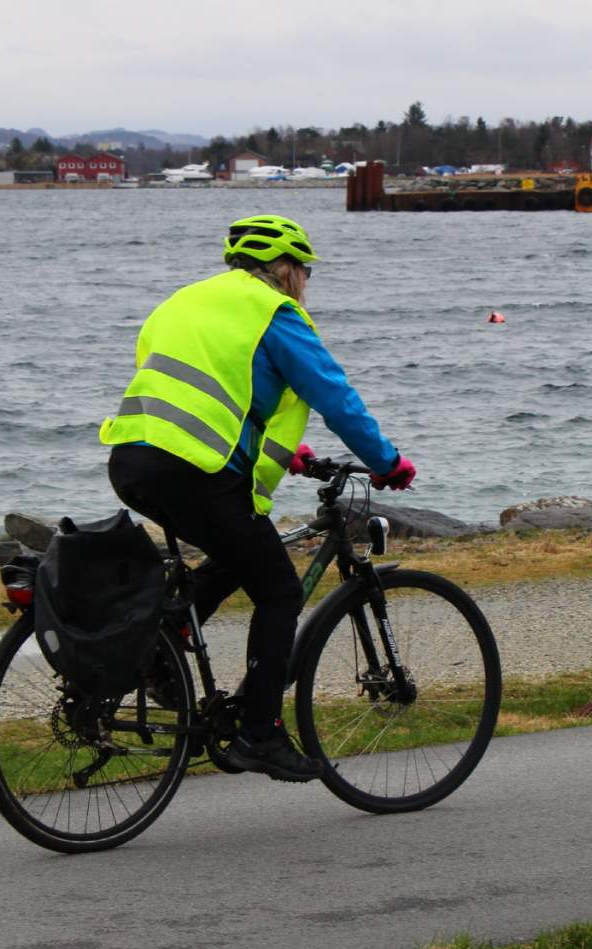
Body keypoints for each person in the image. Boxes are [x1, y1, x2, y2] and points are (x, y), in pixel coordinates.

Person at [99, 214, 416, 781]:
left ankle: (167, 633)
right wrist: (387, 462)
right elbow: (335, 395)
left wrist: (289, 454)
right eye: (306, 271)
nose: (306, 283)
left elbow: (212, 390)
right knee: (279, 589)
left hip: (132, 458)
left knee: (239, 547)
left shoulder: (186, 301)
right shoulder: (275, 313)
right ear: (285, 268)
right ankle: (260, 734)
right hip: (194, 469)